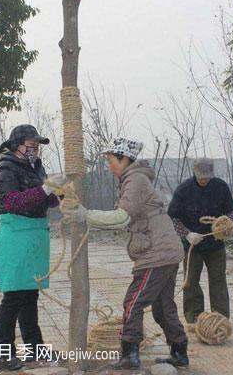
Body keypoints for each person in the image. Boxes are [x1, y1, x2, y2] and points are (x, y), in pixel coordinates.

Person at [71, 137, 189, 369]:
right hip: (166, 250)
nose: (108, 165)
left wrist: (85, 215)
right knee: (163, 307)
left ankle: (130, 353)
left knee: (133, 302)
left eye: (111, 160)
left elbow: (121, 217)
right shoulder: (134, 179)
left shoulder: (135, 180)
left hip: (156, 253)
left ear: (125, 159)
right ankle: (179, 352)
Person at [0, 124, 66, 371]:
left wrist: (59, 192)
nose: (35, 150)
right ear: (17, 145)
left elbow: (45, 199)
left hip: (34, 233)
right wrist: (45, 188)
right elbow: (11, 201)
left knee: (30, 294)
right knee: (13, 295)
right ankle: (5, 353)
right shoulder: (5, 166)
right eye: (31, 146)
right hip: (14, 233)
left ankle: (35, 346)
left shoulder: (35, 166)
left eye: (37, 146)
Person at [168, 158, 233, 324]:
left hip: (216, 245)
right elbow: (173, 217)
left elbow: (232, 211)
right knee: (191, 282)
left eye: (207, 177)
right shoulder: (183, 190)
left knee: (218, 281)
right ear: (194, 173)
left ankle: (220, 318)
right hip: (192, 246)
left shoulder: (221, 187)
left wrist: (227, 224)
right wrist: (187, 234)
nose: (204, 180)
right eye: (201, 177)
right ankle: (194, 318)